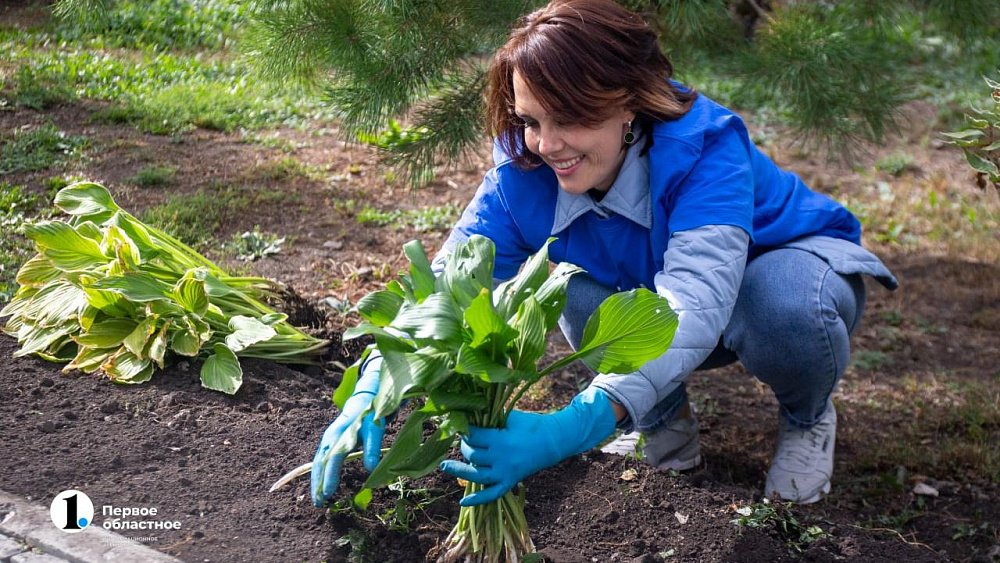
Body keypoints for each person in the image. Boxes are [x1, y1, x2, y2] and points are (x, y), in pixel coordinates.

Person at [311, 0, 897, 509]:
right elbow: (450, 282)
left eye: (569, 119)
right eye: (532, 120)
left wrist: (578, 423)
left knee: (782, 310)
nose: (547, 145)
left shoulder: (704, 150)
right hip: (660, 293)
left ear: (629, 102)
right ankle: (661, 422)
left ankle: (807, 417)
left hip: (779, 269)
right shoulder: (524, 167)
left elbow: (694, 302)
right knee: (569, 284)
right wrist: (379, 380)